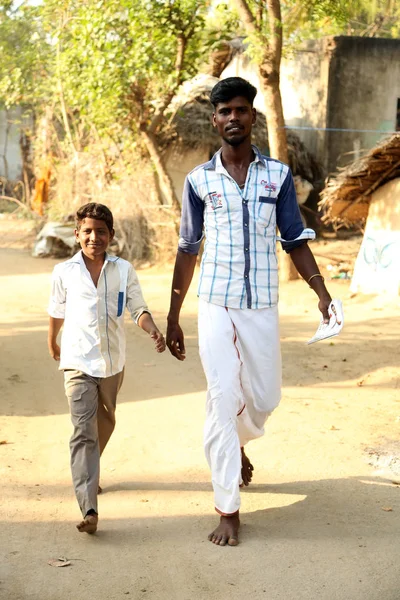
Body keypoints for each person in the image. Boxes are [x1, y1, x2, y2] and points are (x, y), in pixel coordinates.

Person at [166, 77, 332, 547]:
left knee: (265, 396)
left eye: (241, 110)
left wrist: (321, 292)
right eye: (225, 111)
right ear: (215, 119)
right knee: (221, 397)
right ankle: (227, 508)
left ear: (252, 116)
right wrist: (175, 313)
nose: (233, 118)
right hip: (215, 303)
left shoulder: (277, 176)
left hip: (261, 303)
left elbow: (294, 239)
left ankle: (238, 441)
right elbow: (187, 248)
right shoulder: (199, 181)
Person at [48, 202, 165, 534]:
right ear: (76, 235)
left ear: (111, 235)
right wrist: (52, 339)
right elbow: (56, 310)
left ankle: (89, 469)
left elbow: (137, 308)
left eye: (100, 232)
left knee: (105, 420)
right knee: (82, 430)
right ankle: (89, 507)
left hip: (112, 363)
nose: (93, 237)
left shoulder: (123, 270)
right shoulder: (64, 272)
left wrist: (153, 329)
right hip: (76, 360)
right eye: (87, 231)